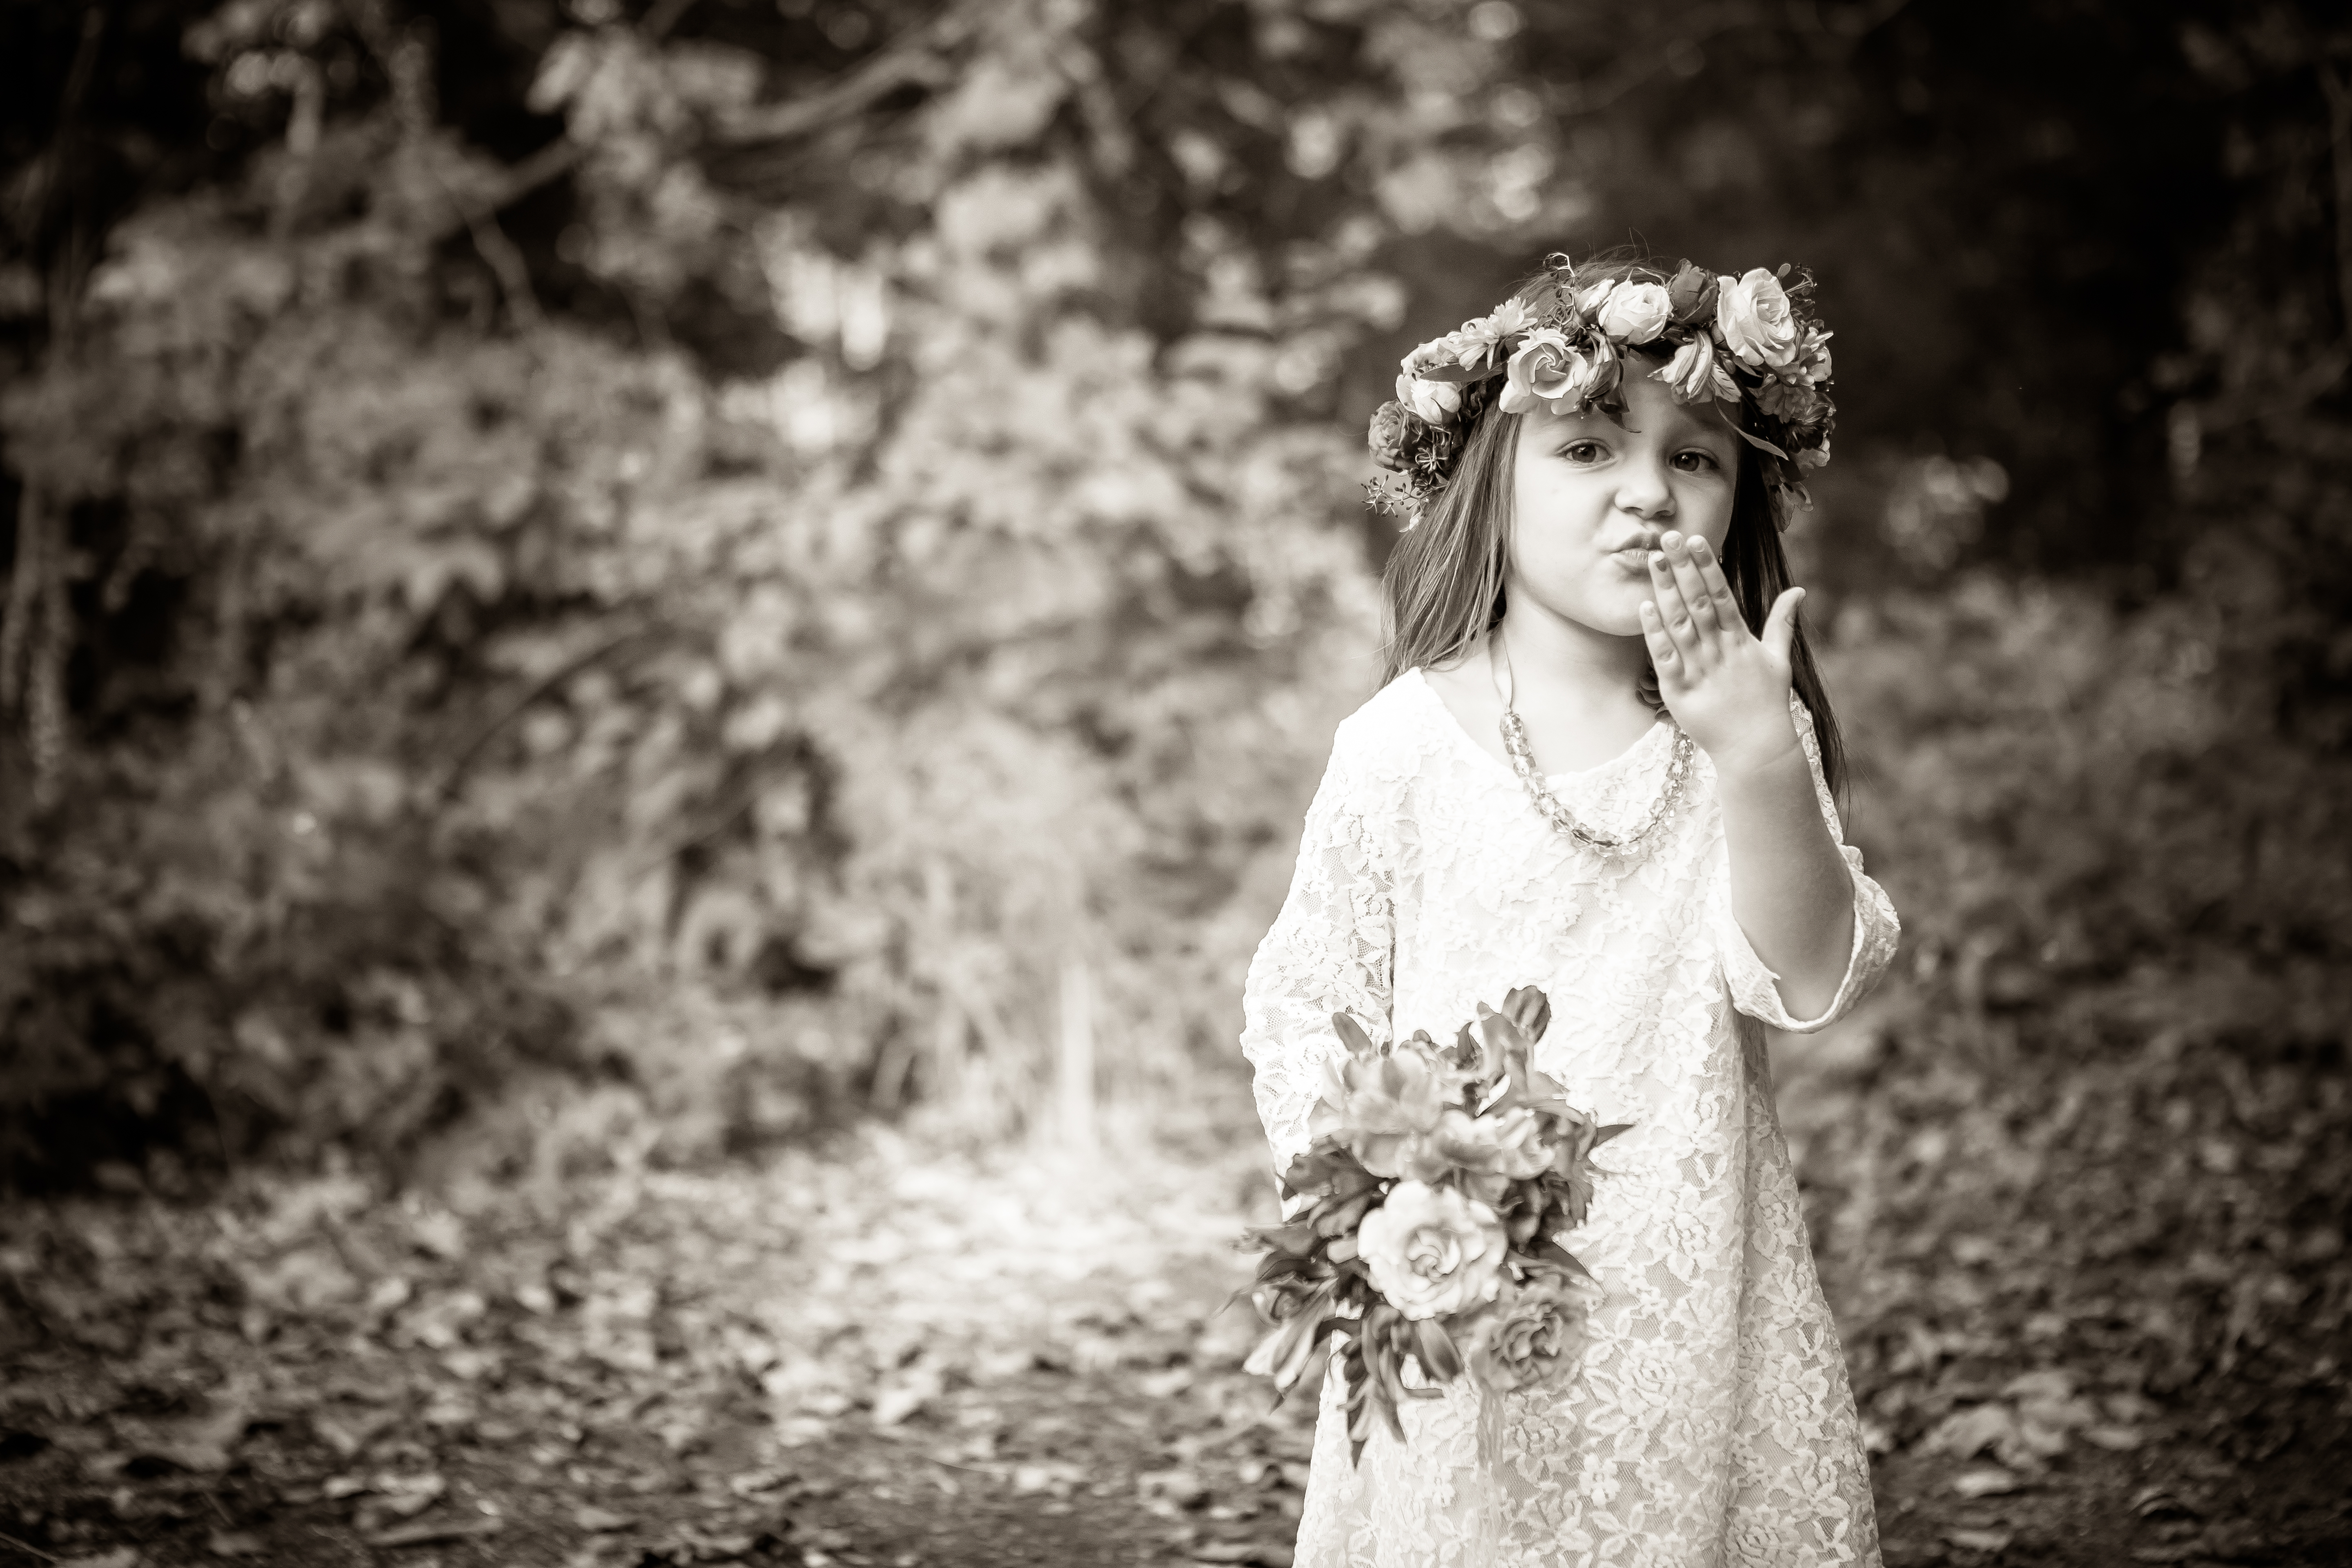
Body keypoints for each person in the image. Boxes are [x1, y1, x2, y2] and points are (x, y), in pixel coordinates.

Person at [1239, 252, 1898, 1568]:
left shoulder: (1742, 733)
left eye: (1694, 458)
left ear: (1737, 500)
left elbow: (1806, 978)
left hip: (1696, 1302)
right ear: (1494, 481)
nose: (1647, 490)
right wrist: (1386, 1207)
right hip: (1466, 1301)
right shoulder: (1401, 749)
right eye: (1588, 446)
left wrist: (1759, 759)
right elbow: (1306, 1005)